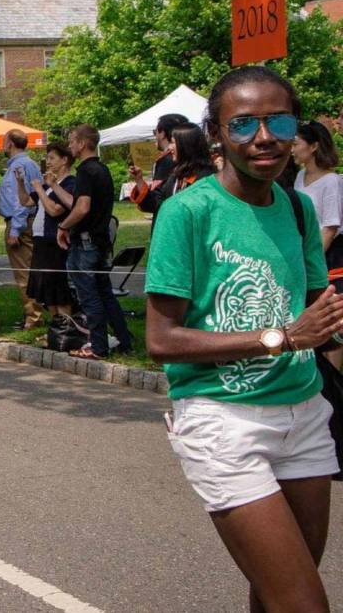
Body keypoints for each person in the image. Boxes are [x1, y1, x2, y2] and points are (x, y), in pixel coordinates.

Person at [145, 66, 340, 613]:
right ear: (216, 135)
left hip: (304, 417)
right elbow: (161, 341)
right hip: (224, 422)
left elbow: (320, 322)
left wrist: (317, 333)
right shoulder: (189, 212)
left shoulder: (300, 210)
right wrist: (281, 337)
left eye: (279, 121)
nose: (264, 138)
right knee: (303, 603)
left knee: (277, 590)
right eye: (243, 125)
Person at [58, 124, 134, 359]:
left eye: (72, 140)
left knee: (88, 294)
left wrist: (63, 226)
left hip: (86, 241)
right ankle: (124, 339)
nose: (70, 145)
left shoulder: (86, 171)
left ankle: (98, 345)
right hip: (101, 240)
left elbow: (82, 207)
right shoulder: (102, 169)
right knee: (104, 292)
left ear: (82, 143)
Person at [23, 142, 76, 320]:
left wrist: (41, 188)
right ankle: (56, 326)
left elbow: (54, 209)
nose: (49, 161)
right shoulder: (48, 184)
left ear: (64, 160)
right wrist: (20, 183)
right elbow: (26, 201)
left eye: (52, 158)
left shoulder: (69, 183)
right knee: (45, 288)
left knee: (57, 287)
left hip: (54, 240)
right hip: (40, 240)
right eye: (48, 157)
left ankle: (67, 326)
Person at [0, 129, 44, 330]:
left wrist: (15, 230)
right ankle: (36, 312)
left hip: (20, 221)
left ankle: (32, 317)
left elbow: (19, 200)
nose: (2, 144)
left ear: (10, 143)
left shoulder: (17, 167)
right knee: (33, 269)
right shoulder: (32, 164)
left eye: (4, 140)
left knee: (23, 272)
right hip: (33, 220)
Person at [293, 120, 342, 292]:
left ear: (313, 146)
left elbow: (330, 228)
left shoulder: (331, 182)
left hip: (327, 258)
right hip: (305, 250)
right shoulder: (300, 175)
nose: (292, 150)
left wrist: (311, 261)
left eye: (296, 144)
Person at [133, 123, 212, 216]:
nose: (170, 148)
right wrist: (139, 180)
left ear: (186, 146)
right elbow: (155, 203)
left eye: (173, 142)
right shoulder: (176, 177)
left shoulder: (207, 179)